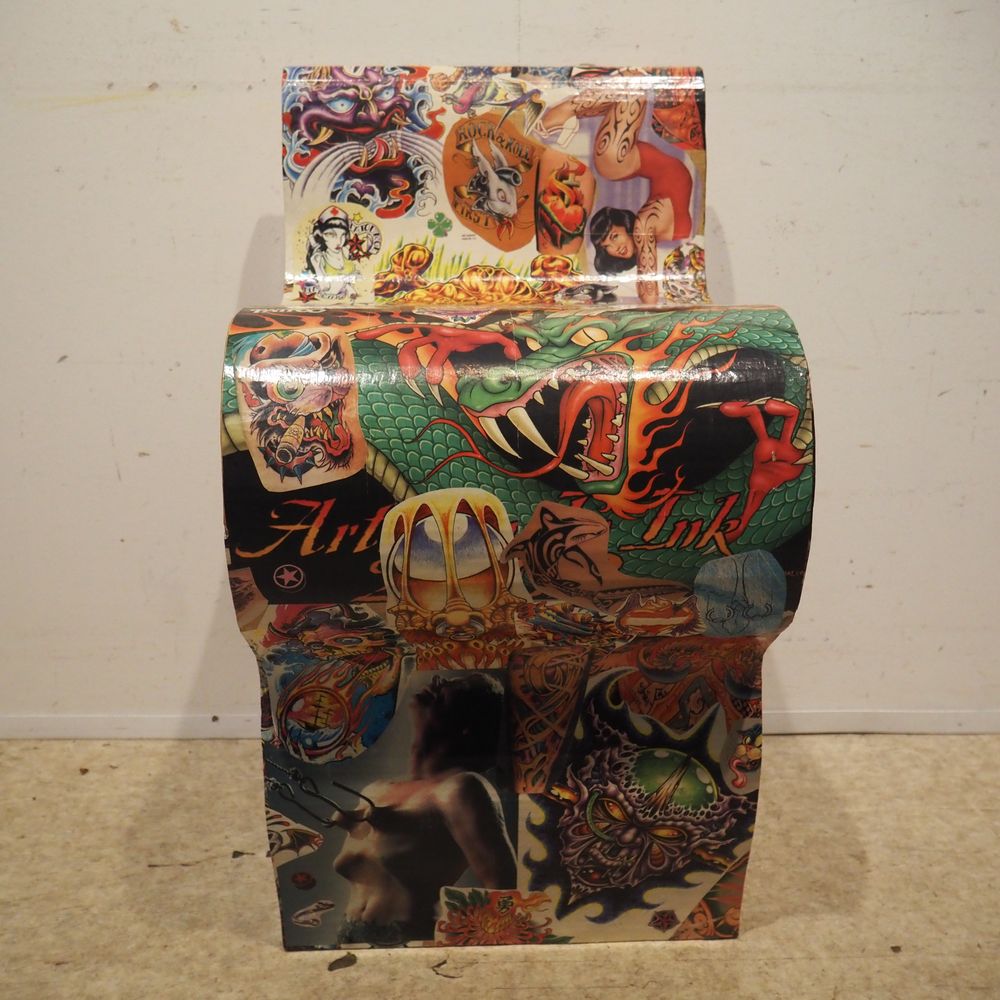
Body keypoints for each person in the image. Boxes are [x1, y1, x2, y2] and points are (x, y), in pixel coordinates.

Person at [329, 673, 517, 946]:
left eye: (458, 685)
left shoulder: (461, 789)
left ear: (466, 726)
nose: (440, 680)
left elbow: (503, 889)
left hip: (407, 941)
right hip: (348, 936)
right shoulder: (376, 789)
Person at [540, 88, 694, 304]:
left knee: (632, 91)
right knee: (632, 91)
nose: (614, 249)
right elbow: (649, 290)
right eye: (607, 246)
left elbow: (648, 290)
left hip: (635, 163)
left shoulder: (644, 225)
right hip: (647, 164)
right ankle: (568, 112)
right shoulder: (646, 226)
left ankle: (566, 111)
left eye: (613, 237)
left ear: (625, 225)